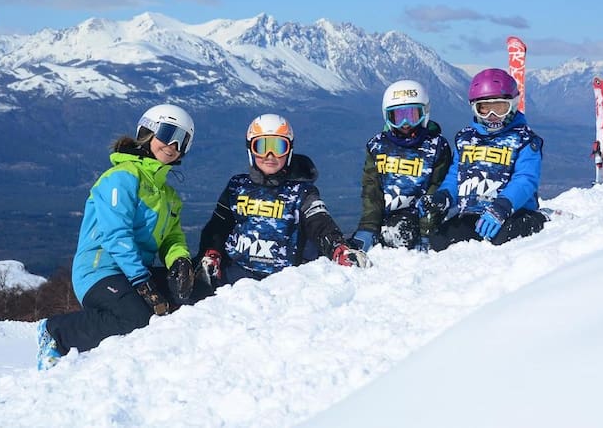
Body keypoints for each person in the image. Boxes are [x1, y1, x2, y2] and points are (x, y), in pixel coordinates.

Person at [36, 103, 197, 371]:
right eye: (168, 134)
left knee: (191, 297)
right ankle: (57, 333)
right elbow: (115, 234)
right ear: (148, 131)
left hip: (134, 273)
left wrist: (180, 261)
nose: (173, 146)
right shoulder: (121, 178)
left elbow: (173, 237)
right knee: (137, 320)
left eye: (183, 141)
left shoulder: (168, 196)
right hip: (100, 271)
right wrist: (143, 283)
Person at [193, 113, 370, 292]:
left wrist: (338, 248)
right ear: (251, 150)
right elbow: (218, 226)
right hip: (234, 275)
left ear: (289, 150)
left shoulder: (301, 192)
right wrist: (212, 252)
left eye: (279, 147)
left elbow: (319, 223)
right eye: (262, 146)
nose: (270, 155)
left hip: (284, 282)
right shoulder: (236, 187)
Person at [417, 68, 547, 251]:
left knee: (500, 239)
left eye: (500, 108)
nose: (492, 116)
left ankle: (539, 220)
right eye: (484, 109)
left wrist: (503, 206)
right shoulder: (466, 139)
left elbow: (525, 179)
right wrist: (443, 197)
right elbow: (457, 175)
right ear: (475, 108)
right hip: (473, 212)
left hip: (512, 211)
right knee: (439, 241)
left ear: (513, 104)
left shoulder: (524, 140)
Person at [350, 79, 452, 252]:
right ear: (387, 116)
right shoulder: (377, 146)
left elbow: (437, 187)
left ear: (425, 113)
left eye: (412, 116)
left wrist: (427, 231)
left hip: (418, 218)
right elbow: (372, 190)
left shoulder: (436, 146)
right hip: (386, 218)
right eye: (397, 117)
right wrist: (368, 228)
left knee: (401, 233)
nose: (405, 123)